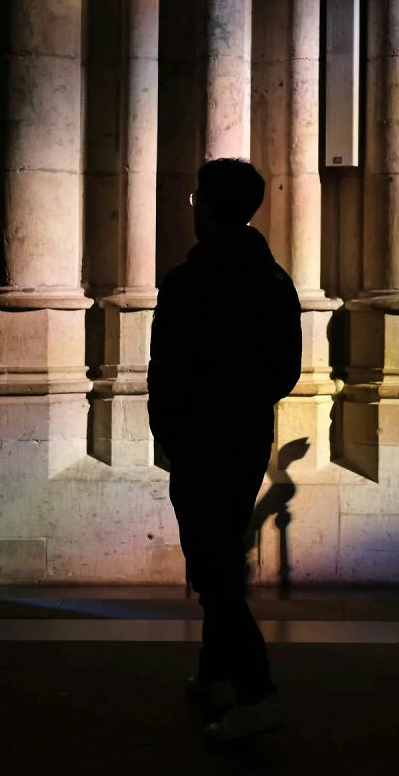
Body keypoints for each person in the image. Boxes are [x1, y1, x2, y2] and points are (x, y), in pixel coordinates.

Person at [147, 158, 302, 742]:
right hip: (243, 435)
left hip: (198, 436)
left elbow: (166, 369)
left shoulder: (189, 281)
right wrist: (245, 396)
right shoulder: (274, 281)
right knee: (219, 553)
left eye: (196, 200)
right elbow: (284, 369)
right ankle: (214, 674)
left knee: (212, 566)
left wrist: (169, 429)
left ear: (209, 208)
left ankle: (257, 691)